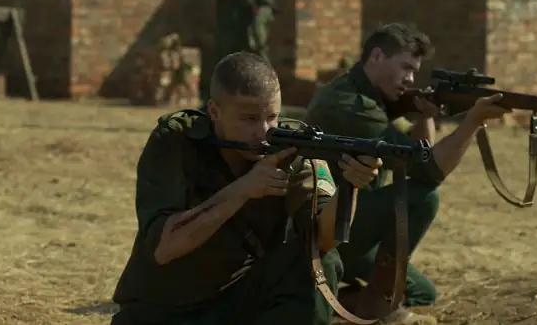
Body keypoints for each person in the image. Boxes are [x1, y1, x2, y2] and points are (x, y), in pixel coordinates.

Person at [110, 52, 383, 325]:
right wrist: (243, 190)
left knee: (321, 263)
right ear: (215, 111)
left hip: (239, 303)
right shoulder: (178, 141)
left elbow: (323, 241)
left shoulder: (291, 147)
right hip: (164, 310)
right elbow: (165, 247)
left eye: (272, 117)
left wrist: (351, 184)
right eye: (250, 119)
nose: (264, 131)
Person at [303, 23, 511, 324]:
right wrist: (473, 121)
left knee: (422, 292)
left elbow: (415, 151)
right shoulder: (352, 104)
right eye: (405, 68)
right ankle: (378, 307)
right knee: (422, 198)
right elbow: (429, 171)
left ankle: (339, 302)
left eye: (414, 71)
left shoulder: (372, 99)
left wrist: (426, 116)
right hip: (323, 229)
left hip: (353, 224)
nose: (411, 79)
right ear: (376, 56)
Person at [198, 0, 278, 112]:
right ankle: (215, 102)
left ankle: (268, 98)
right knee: (225, 54)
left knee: (257, 53)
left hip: (257, 5)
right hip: (233, 9)